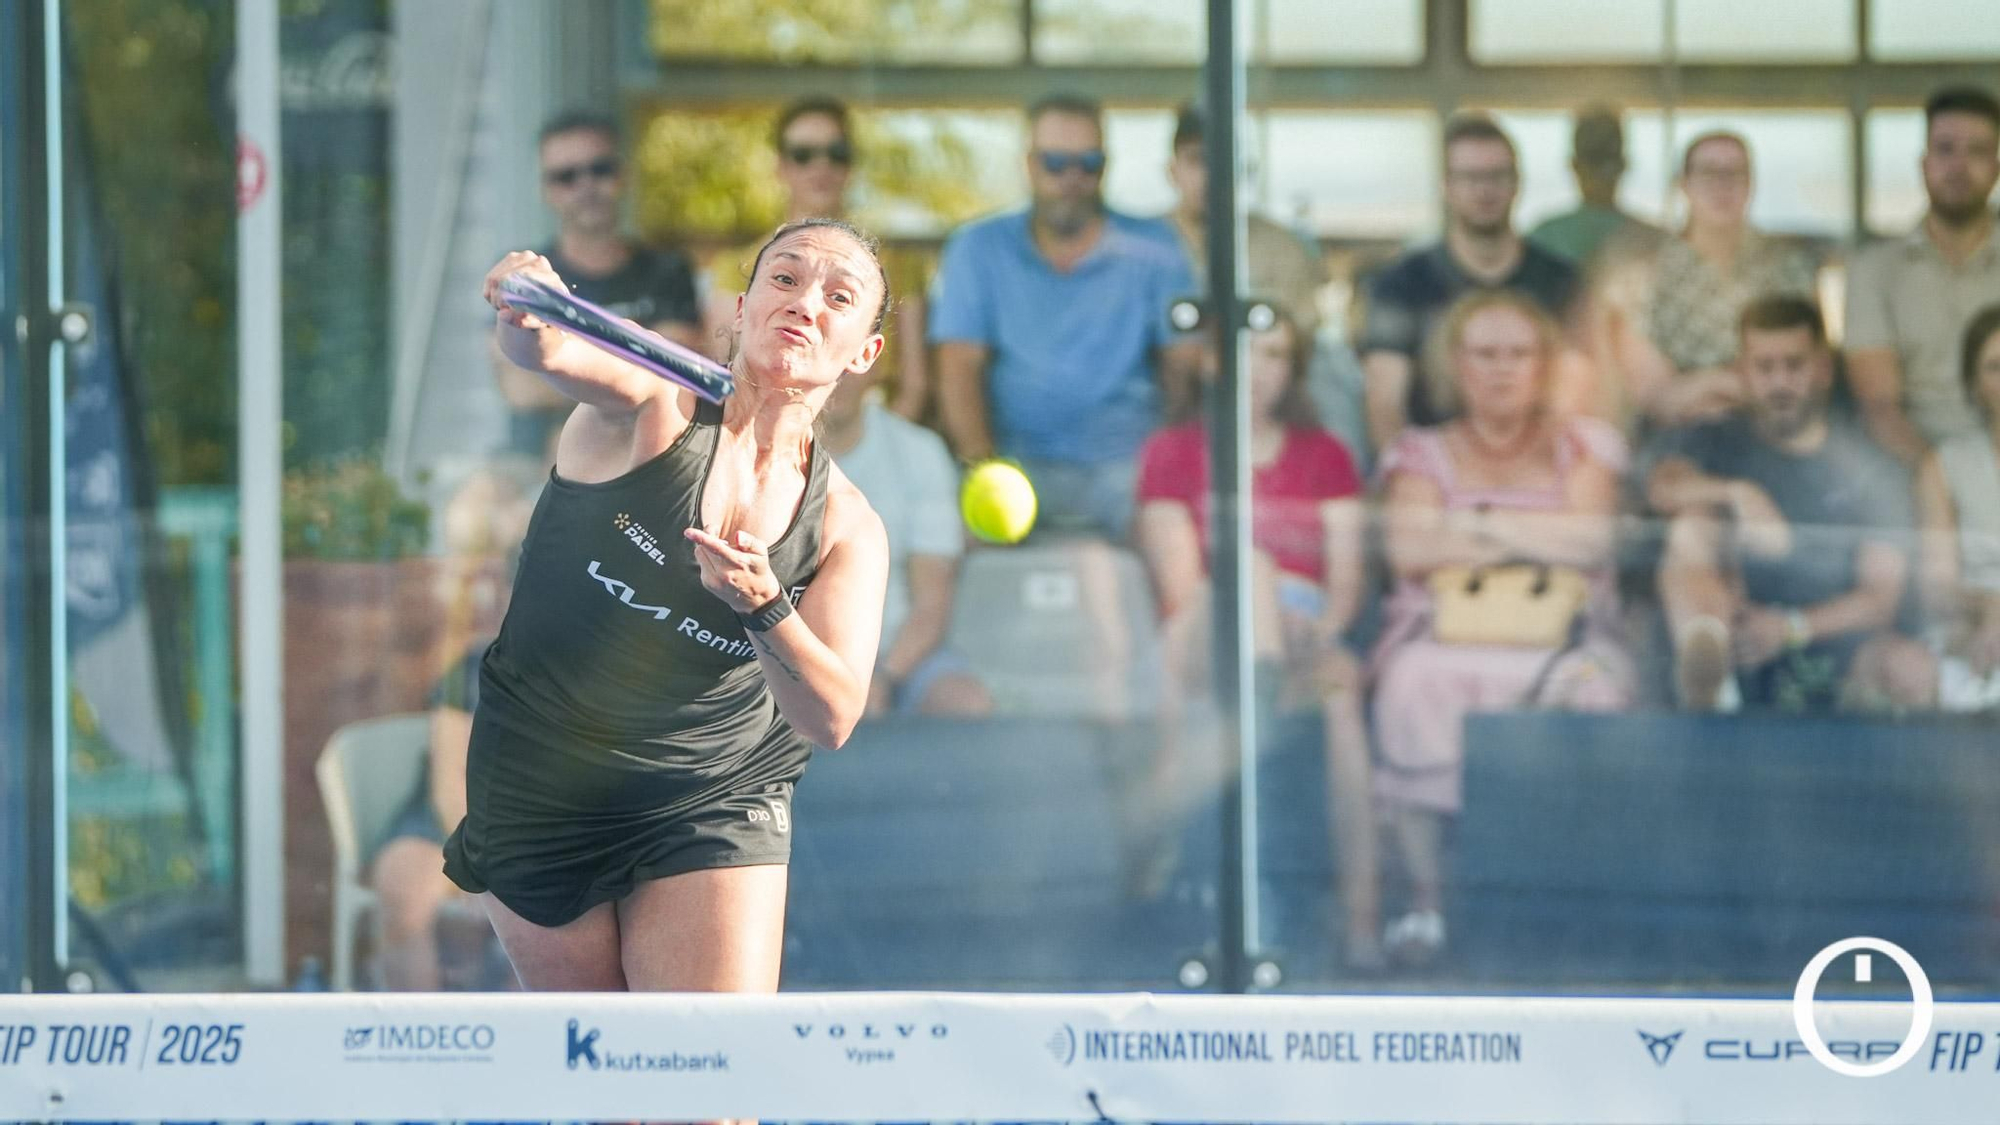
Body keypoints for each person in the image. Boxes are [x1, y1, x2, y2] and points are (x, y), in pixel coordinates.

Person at [448, 217, 892, 995]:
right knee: (608, 1085)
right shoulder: (654, 402)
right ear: (742, 304)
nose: (804, 302)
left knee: (709, 1097)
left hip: (717, 789)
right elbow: (553, 352)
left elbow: (831, 716)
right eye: (784, 278)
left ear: (864, 351)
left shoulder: (848, 526)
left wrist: (764, 607)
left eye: (839, 295)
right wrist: (526, 313)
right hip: (542, 771)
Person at [1372, 289, 1634, 967]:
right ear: (1455, 365)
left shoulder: (1585, 445)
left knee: (1598, 689)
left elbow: (1591, 545)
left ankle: (1570, 900)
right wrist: (1536, 534)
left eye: (1519, 353)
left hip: (1565, 642)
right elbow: (1411, 550)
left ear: (1545, 364)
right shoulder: (1421, 452)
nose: (1502, 369)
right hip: (1445, 640)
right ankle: (1427, 903)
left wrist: (1475, 523)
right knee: (1410, 682)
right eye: (1485, 353)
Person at [1131, 307, 1375, 969]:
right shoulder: (1172, 452)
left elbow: (1347, 583)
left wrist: (1316, 630)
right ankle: (1256, 744)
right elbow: (1180, 586)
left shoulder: (1325, 455)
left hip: (1305, 637)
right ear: (1211, 362)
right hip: (1203, 633)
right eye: (1242, 351)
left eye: (1274, 354)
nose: (1258, 370)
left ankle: (1362, 921)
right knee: (1251, 569)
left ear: (1292, 369)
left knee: (1342, 697)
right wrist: (1258, 605)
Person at [930, 92, 1203, 541]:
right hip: (1011, 465)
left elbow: (1184, 367)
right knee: (939, 543)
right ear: (1030, 165)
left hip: (1127, 465)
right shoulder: (978, 248)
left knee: (1180, 543)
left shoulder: (1155, 248)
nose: (1072, 177)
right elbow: (958, 367)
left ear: (1106, 166)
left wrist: (1168, 461)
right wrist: (984, 466)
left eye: (1088, 163)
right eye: (1056, 163)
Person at [1649, 295, 1934, 713]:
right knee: (1691, 525)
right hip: (1733, 640)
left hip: (1833, 649)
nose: (1779, 382)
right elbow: (1664, 488)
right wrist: (1738, 493)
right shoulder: (1715, 438)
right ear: (1742, 371)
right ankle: (1712, 698)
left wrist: (1790, 629)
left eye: (1794, 365)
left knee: (1912, 668)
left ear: (1823, 369)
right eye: (1764, 367)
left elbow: (1880, 597)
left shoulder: (1870, 465)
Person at [369, 469, 533, 991]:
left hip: (540, 838)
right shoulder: (473, 668)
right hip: (447, 829)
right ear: (506, 593)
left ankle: (525, 1052)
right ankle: (416, 1049)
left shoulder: (599, 678)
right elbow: (449, 786)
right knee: (403, 881)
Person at [1359, 113, 1581, 454]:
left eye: (1497, 175)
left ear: (1517, 182)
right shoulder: (1400, 284)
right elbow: (1384, 405)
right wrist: (1410, 482)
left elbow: (1576, 395)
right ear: (1446, 186)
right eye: (1469, 177)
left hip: (1540, 477)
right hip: (1434, 483)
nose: (1484, 189)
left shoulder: (1561, 281)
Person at [702, 98, 933, 421]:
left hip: (874, 432)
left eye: (836, 154)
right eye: (803, 155)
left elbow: (914, 384)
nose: (820, 167)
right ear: (781, 166)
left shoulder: (898, 264)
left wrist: (874, 447)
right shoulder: (736, 266)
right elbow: (728, 374)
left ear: (851, 165)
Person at [493, 111, 701, 462]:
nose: (586, 185)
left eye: (599, 169)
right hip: (534, 463)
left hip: (646, 454)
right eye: (566, 176)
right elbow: (520, 388)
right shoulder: (527, 275)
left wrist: (555, 359)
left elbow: (675, 369)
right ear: (547, 190)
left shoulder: (667, 270)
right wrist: (633, 364)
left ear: (622, 176)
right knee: (471, 513)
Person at [818, 334, 991, 717]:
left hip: (903, 657)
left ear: (874, 364)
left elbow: (932, 598)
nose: (839, 376)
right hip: (799, 661)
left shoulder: (920, 452)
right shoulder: (767, 451)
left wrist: (884, 677)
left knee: (967, 705)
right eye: (826, 359)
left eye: (851, 361)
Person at [1615, 132, 1818, 437]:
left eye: (1735, 173)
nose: (1722, 185)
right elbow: (1657, 397)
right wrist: (1741, 383)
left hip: (1778, 437)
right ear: (1683, 184)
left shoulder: (1791, 268)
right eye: (1709, 172)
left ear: (1751, 184)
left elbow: (1812, 376)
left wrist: (1702, 383)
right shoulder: (1642, 277)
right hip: (1680, 443)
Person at [1846, 86, 2000, 467]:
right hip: (1909, 463)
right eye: (1946, 149)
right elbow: (1879, 408)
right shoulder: (1874, 270)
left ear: (1997, 167)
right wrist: (1941, 477)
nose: (1959, 166)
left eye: (1977, 151)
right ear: (1924, 163)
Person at [1914, 305, 2000, 709]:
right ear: (1973, 384)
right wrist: (1989, 608)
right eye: (1995, 367)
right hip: (1969, 634)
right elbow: (1937, 587)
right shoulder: (1945, 464)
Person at [1527, 104, 1658, 268]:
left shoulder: (1651, 241)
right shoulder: (1541, 241)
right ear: (1575, 165)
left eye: (1607, 161)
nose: (1600, 173)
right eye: (1592, 161)